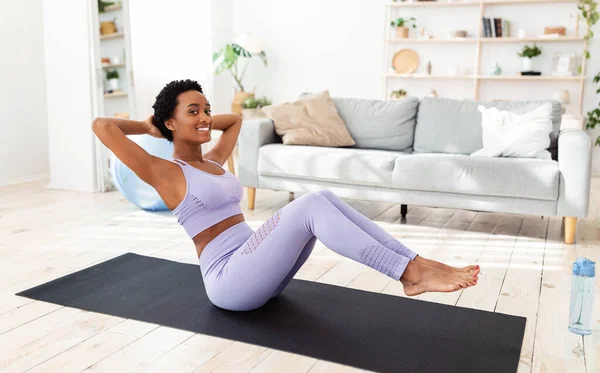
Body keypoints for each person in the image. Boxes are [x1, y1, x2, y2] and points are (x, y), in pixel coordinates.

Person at [92, 79, 480, 312]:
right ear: (171, 122)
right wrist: (150, 126)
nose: (207, 117)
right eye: (193, 111)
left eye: (207, 109)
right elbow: (103, 125)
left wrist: (192, 117)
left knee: (321, 196)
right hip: (229, 281)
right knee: (310, 204)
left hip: (256, 265)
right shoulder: (166, 173)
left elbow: (236, 121)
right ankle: (410, 274)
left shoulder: (212, 162)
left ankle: (416, 263)